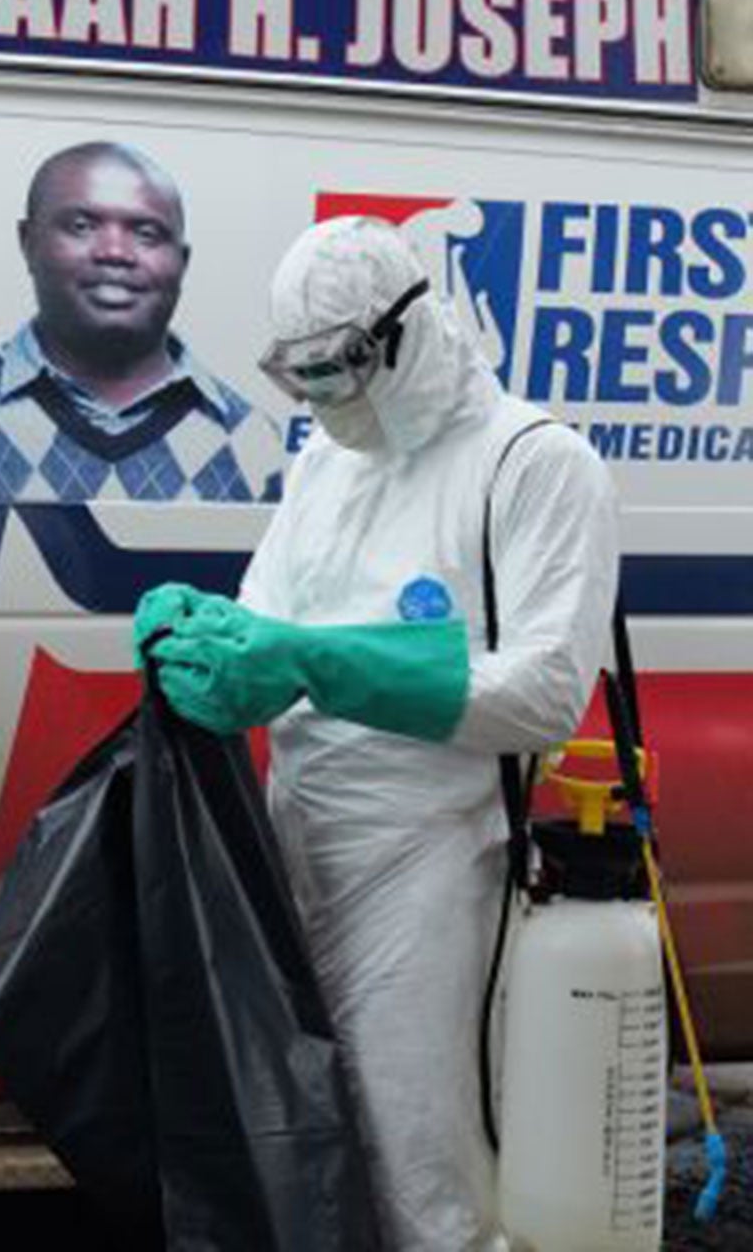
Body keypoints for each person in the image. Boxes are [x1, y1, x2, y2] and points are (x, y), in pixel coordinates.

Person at [135, 215, 619, 1252]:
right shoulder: (327, 460)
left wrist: (316, 663)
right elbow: (265, 615)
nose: (316, 401)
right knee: (310, 1150)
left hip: (433, 868)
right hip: (300, 848)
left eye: (333, 374)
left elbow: (543, 693)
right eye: (296, 377)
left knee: (421, 1167)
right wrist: (209, 642)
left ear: (405, 335)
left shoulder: (532, 466)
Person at [0, 141, 283, 503]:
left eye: (147, 233)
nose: (114, 252)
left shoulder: (254, 442)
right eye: (81, 226)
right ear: (27, 242)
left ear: (182, 263)